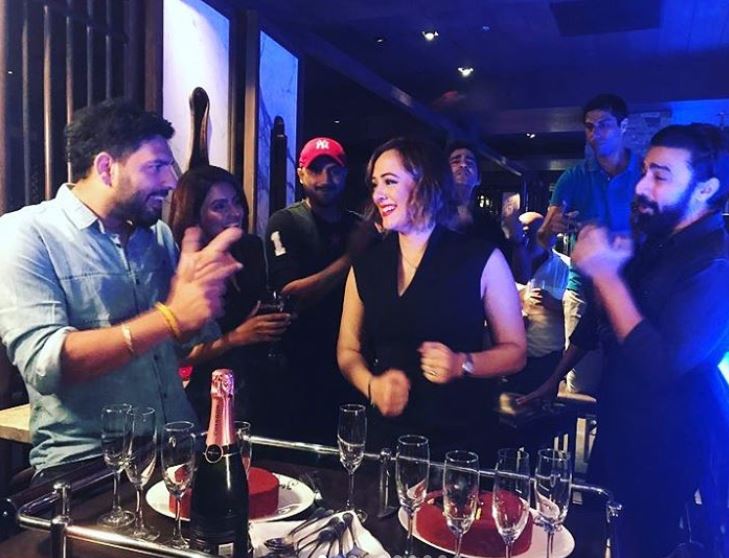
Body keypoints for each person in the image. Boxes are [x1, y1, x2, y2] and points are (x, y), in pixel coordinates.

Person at [0, 99, 242, 480]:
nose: (171, 181)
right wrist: (169, 317)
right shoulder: (26, 234)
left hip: (180, 450)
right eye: (156, 166)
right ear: (105, 168)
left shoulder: (156, 235)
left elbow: (179, 346)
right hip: (89, 465)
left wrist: (201, 305)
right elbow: (46, 363)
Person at [521, 124, 729, 557]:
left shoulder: (715, 262)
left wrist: (606, 274)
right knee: (594, 535)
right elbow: (600, 324)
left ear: (706, 188)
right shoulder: (659, 241)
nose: (641, 186)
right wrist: (553, 380)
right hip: (618, 427)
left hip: (665, 447)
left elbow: (662, 364)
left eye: (660, 176)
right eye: (645, 171)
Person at [337, 137, 527, 461]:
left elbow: (516, 352)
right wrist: (371, 385)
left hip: (460, 446)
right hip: (387, 443)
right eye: (375, 184)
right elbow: (347, 350)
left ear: (426, 183)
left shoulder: (481, 258)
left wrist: (463, 363)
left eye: (389, 182)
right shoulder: (367, 262)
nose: (378, 194)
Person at [168, 165, 291, 425]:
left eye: (236, 202)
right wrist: (236, 337)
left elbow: (263, 302)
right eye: (219, 206)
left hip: (259, 381)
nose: (235, 213)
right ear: (195, 216)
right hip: (210, 390)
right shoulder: (183, 265)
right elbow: (179, 356)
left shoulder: (250, 248)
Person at [265, 137, 369, 443]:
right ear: (300, 174)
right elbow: (291, 294)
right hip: (300, 363)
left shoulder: (358, 226)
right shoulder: (285, 222)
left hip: (353, 362)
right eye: (316, 170)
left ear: (345, 174)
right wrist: (352, 257)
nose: (325, 179)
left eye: (334, 171)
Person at [537, 94, 642, 395]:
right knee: (581, 385)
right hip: (583, 288)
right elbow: (543, 240)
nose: (596, 134)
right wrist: (551, 228)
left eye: (605, 125)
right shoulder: (573, 177)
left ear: (623, 126)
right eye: (590, 127)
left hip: (636, 288)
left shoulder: (645, 172)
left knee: (630, 378)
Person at [446, 141, 530, 283]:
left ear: (478, 179)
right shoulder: (429, 215)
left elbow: (521, 277)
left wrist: (517, 240)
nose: (463, 165)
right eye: (455, 161)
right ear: (443, 174)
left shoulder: (487, 223)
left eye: (469, 162)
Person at [505, 212, 569, 394]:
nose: (526, 239)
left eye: (533, 233)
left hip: (548, 364)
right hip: (508, 361)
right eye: (522, 234)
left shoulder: (566, 268)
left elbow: (582, 317)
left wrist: (556, 305)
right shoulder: (503, 264)